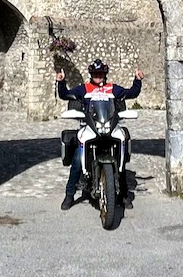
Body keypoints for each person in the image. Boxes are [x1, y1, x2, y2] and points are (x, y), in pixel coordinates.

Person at [55, 59, 143, 210]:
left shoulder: (112, 88)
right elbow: (65, 95)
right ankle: (69, 194)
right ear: (91, 74)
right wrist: (61, 83)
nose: (98, 76)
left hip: (108, 125)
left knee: (119, 157)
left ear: (105, 74)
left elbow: (131, 93)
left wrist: (137, 81)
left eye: (101, 74)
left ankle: (123, 194)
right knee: (77, 159)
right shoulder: (84, 89)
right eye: (95, 74)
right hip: (89, 126)